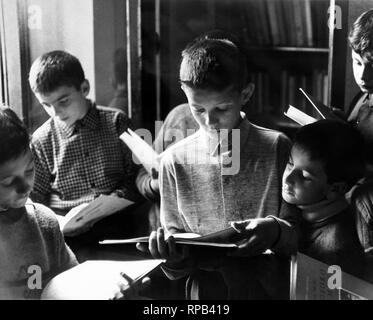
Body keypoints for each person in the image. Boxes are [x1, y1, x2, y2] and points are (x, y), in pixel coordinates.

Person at [138, 34, 299, 299]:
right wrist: (170, 258)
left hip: (269, 289)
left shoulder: (277, 147)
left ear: (245, 93)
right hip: (205, 294)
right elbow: (177, 258)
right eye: (197, 109)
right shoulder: (173, 161)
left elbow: (299, 234)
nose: (209, 121)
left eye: (222, 108)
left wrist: (277, 230)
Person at [28, 51, 147, 258]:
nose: (56, 113)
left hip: (116, 226)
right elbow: (34, 199)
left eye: (63, 101)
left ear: (84, 88)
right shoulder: (41, 139)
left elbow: (135, 176)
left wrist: (114, 199)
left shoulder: (116, 122)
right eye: (47, 105)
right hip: (67, 234)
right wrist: (58, 222)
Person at [0, 105, 78, 299]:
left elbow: (74, 281)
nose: (25, 187)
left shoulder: (44, 222)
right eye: (8, 181)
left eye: (29, 171)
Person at [282, 119, 365, 278]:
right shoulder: (306, 205)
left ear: (335, 188)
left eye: (305, 176)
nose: (288, 179)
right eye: (290, 163)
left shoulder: (335, 249)